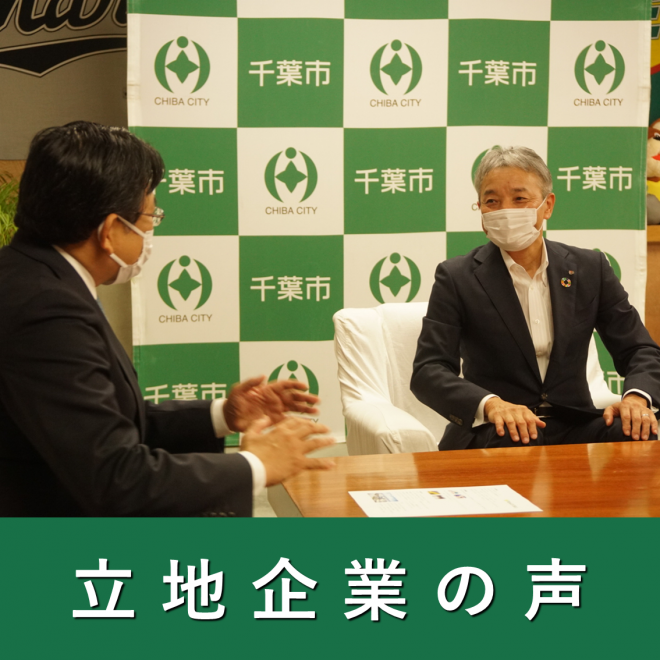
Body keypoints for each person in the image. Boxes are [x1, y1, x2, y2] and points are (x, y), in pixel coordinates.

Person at [0, 121, 334, 516]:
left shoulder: (34, 275)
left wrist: (224, 415)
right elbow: (115, 477)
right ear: (111, 230)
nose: (150, 232)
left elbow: (103, 424)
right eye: (150, 217)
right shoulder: (46, 308)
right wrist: (256, 465)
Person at [411, 145, 660, 450]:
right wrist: (491, 405)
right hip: (496, 430)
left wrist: (637, 399)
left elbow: (639, 349)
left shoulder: (589, 268)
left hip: (573, 422)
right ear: (481, 210)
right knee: (515, 438)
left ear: (547, 205)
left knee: (635, 430)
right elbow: (429, 370)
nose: (505, 210)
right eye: (492, 201)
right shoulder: (457, 277)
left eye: (519, 199)